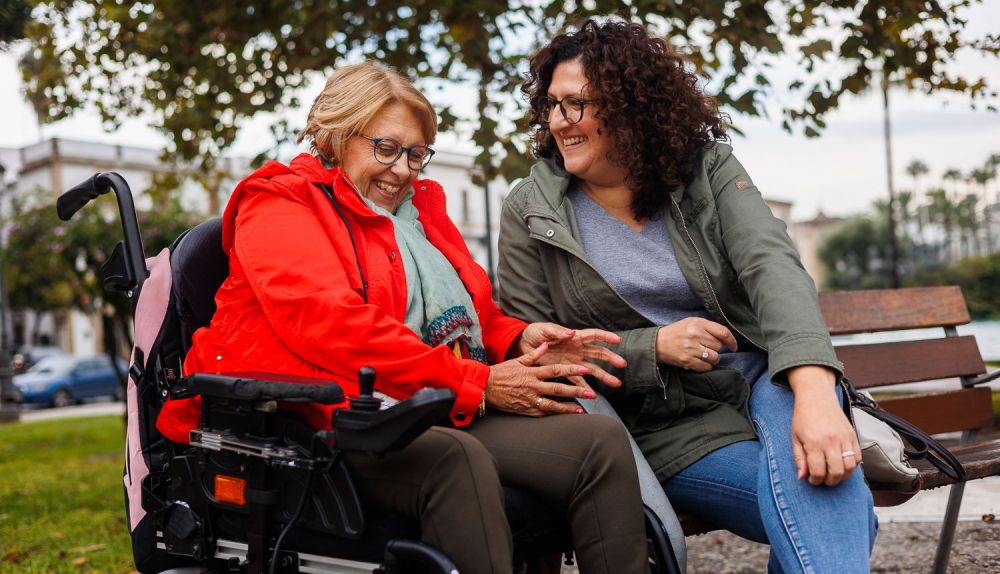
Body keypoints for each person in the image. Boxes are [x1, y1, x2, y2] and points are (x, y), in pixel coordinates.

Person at [155, 61, 651, 574]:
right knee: (456, 460)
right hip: (318, 418)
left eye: (416, 154)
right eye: (386, 149)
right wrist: (477, 382)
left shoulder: (420, 213)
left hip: (421, 401)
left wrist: (519, 340)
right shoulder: (280, 201)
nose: (402, 170)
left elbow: (474, 314)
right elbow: (331, 323)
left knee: (597, 441)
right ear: (334, 136)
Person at [497, 19, 878, 574]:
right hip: (664, 424)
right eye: (552, 105)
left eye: (576, 104)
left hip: (764, 381)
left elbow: (772, 264)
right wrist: (653, 347)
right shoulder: (530, 209)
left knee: (824, 482)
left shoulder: (706, 169)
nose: (559, 121)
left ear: (631, 107)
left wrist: (818, 393)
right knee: (834, 502)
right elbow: (538, 358)